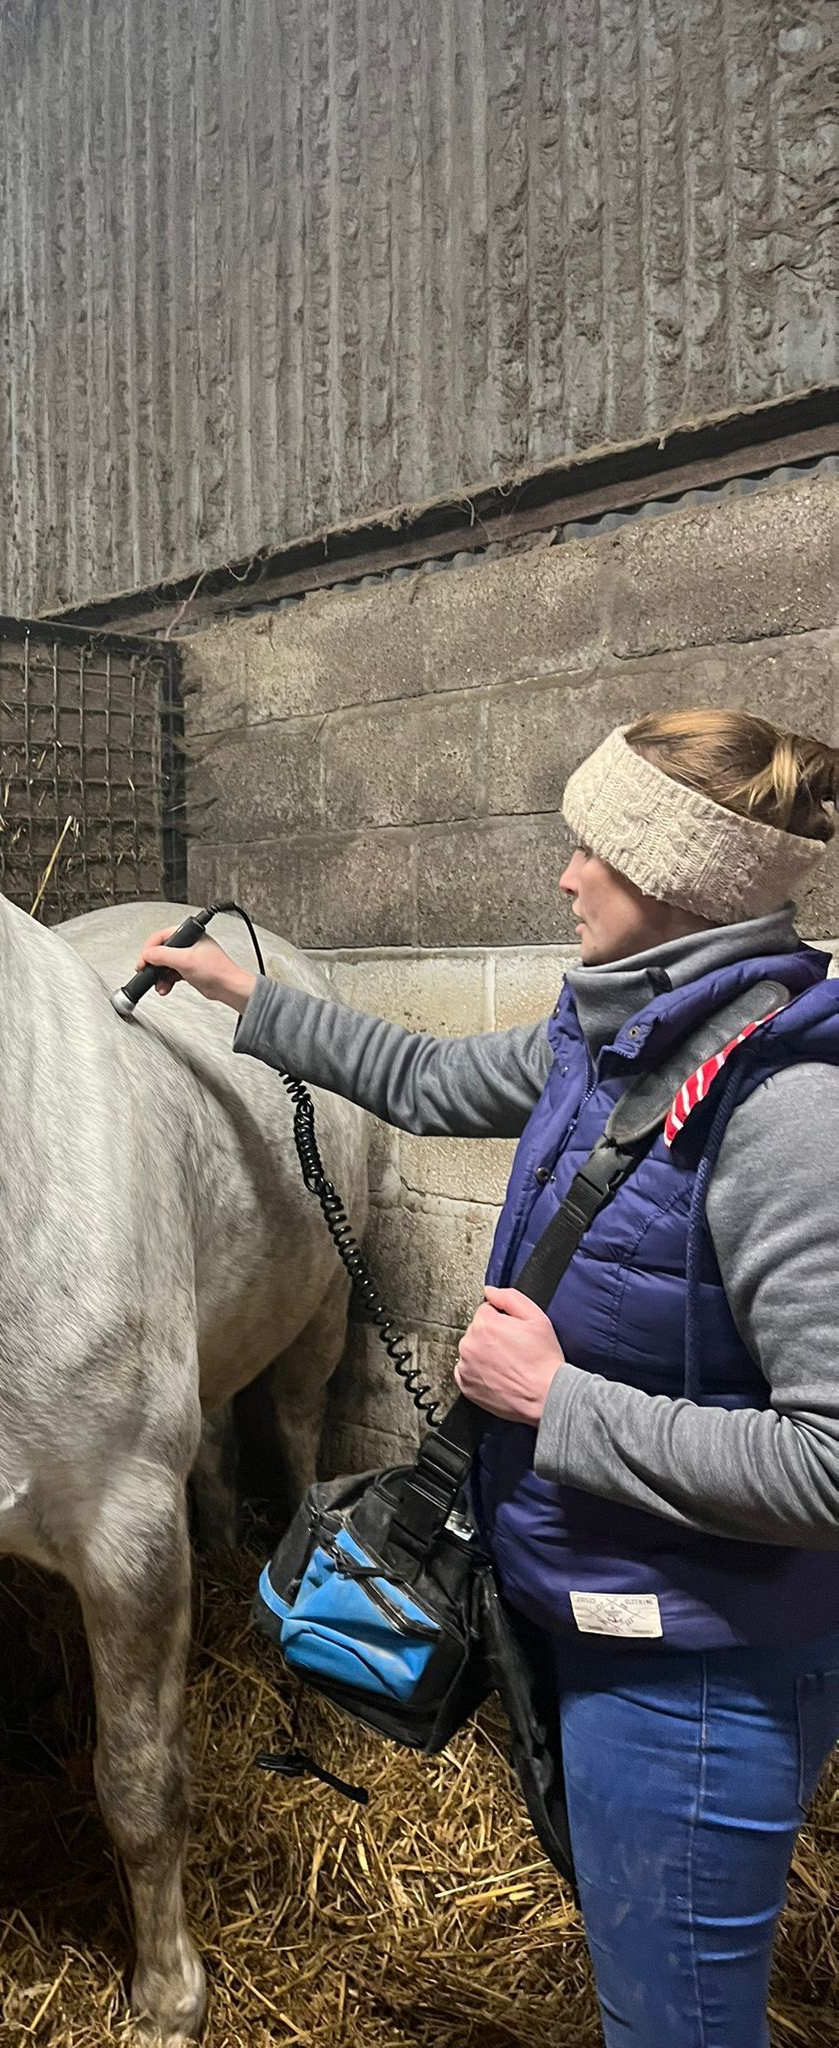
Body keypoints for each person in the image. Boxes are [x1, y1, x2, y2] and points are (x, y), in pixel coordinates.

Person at [137, 710, 839, 2048]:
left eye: (589, 852)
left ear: (671, 876)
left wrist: (551, 1402)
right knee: (647, 1980)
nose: (564, 877)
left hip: (697, 1674)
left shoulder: (789, 1111)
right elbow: (427, 1075)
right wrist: (249, 1003)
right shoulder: (608, 1036)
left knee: (677, 2022)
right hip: (597, 1616)